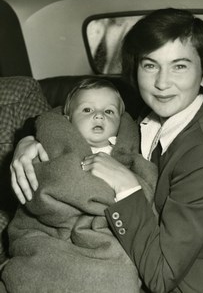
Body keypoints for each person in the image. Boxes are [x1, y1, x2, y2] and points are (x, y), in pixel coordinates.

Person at [8, 8, 203, 293]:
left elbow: (161, 276)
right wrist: (27, 140)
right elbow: (70, 112)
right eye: (150, 65)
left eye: (179, 66)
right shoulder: (152, 106)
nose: (162, 83)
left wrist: (127, 187)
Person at [1, 77, 157, 293]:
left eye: (109, 112)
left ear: (121, 122)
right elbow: (37, 188)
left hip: (104, 234)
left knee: (117, 275)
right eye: (87, 110)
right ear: (67, 119)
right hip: (51, 234)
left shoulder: (127, 155)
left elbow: (145, 189)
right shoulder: (50, 148)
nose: (99, 115)